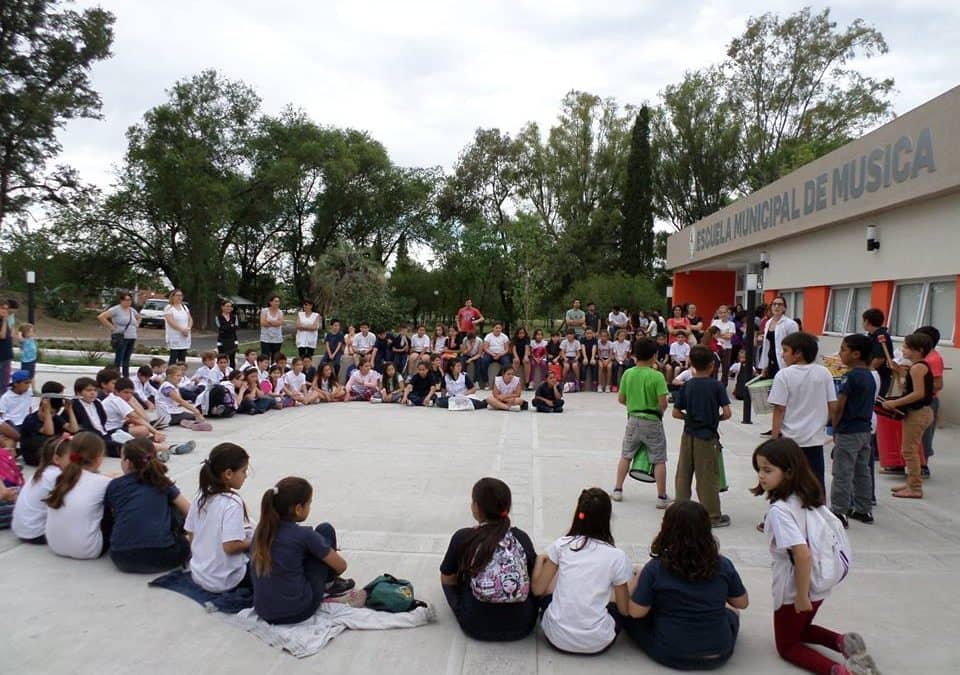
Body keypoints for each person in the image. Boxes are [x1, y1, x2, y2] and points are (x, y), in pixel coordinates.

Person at [752, 438, 879, 675]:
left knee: (787, 645)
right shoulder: (806, 496)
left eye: (768, 470)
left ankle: (843, 672)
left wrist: (800, 596)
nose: (761, 475)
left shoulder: (780, 511)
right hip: (821, 579)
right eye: (759, 469)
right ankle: (844, 642)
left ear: (788, 472)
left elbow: (801, 555)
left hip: (796, 586)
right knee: (799, 628)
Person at [616, 501, 749, 669]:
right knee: (732, 613)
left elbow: (636, 612)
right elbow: (742, 603)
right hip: (719, 652)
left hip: (671, 652)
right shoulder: (723, 565)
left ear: (667, 529)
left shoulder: (656, 568)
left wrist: (636, 585)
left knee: (629, 615)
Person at [532, 488, 632, 655]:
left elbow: (537, 590)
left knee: (548, 598)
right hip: (597, 642)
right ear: (607, 518)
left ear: (579, 513)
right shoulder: (617, 557)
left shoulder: (562, 545)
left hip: (556, 637)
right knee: (614, 607)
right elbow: (624, 610)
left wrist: (538, 562)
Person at [440, 477, 538, 641]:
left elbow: (447, 578)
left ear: (477, 508)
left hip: (475, 625)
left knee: (453, 579)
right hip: (522, 626)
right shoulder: (521, 538)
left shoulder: (464, 537)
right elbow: (533, 577)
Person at [251, 476, 353, 624]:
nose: (310, 507)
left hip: (264, 610)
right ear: (298, 509)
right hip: (299, 610)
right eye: (309, 504)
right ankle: (330, 584)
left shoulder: (261, 532)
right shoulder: (304, 535)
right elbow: (341, 566)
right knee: (325, 530)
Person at [105, 438, 191, 573]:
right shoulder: (162, 482)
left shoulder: (115, 485)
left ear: (127, 463)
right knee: (173, 509)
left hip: (121, 558)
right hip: (163, 556)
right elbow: (189, 511)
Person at [767, 332, 837, 491]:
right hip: (815, 440)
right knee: (815, 481)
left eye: (785, 350)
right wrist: (832, 428)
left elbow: (779, 409)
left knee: (788, 482)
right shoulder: (824, 373)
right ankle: (816, 511)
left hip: (790, 440)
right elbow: (833, 405)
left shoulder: (783, 375)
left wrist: (774, 437)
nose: (782, 355)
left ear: (798, 353)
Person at [672, 345, 733, 528]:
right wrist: (716, 418)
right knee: (707, 476)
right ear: (712, 365)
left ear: (691, 364)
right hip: (707, 436)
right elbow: (728, 412)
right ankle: (712, 515)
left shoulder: (687, 385)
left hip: (688, 433)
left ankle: (679, 512)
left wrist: (688, 418)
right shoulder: (716, 386)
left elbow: (675, 413)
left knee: (683, 473)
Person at [185, 443, 253, 593]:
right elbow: (230, 547)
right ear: (228, 474)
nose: (245, 475)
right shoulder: (232, 503)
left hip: (198, 573)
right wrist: (254, 541)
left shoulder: (201, 495)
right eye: (243, 471)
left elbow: (190, 533)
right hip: (224, 581)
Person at [612, 338, 669, 507]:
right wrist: (659, 412)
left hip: (633, 418)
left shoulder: (628, 373)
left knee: (626, 454)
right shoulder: (657, 376)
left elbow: (621, 399)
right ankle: (661, 496)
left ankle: (618, 489)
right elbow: (663, 403)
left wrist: (633, 405)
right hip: (652, 420)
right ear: (654, 356)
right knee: (658, 458)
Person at [880, 333, 935, 499]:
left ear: (918, 350)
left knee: (909, 450)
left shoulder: (918, 367)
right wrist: (901, 374)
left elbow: (918, 393)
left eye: (906, 347)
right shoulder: (915, 367)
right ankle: (911, 482)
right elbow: (909, 387)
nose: (903, 350)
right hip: (918, 412)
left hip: (919, 413)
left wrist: (895, 403)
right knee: (909, 449)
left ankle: (915, 487)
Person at [830, 335, 877, 525]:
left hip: (848, 430)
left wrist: (834, 427)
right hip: (865, 430)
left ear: (856, 354)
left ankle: (839, 512)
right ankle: (863, 510)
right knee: (862, 470)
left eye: (843, 349)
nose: (840, 353)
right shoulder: (870, 376)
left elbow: (840, 406)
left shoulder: (850, 377)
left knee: (842, 472)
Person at [43, 432, 113, 559]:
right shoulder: (103, 483)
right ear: (99, 458)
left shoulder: (60, 478)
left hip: (55, 546)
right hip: (88, 550)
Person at [12, 435, 71, 543]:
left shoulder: (43, 472)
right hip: (37, 533)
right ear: (57, 459)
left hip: (22, 530)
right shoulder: (56, 476)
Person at [18, 382, 79, 466]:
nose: (49, 415)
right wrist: (47, 410)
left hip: (49, 453)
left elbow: (74, 429)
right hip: (34, 455)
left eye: (52, 413)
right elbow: (49, 432)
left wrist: (70, 410)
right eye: (46, 412)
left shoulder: (55, 417)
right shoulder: (30, 419)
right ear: (40, 408)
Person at [915, 325, 944, 476]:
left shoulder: (934, 359)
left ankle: (923, 466)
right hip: (920, 400)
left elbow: (938, 384)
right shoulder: (924, 357)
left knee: (925, 435)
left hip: (928, 401)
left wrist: (919, 387)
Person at [98, 292, 140, 378]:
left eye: (130, 300)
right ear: (121, 300)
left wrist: (137, 324)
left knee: (127, 359)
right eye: (126, 300)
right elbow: (101, 317)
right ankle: (116, 376)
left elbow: (139, 317)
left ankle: (125, 376)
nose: (128, 302)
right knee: (119, 358)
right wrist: (112, 328)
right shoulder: (116, 309)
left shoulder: (132, 310)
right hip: (121, 337)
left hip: (132, 336)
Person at [759, 295, 800, 381]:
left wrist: (792, 364)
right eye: (774, 304)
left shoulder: (790, 324)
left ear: (784, 308)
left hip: (783, 361)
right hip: (770, 360)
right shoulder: (768, 322)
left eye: (780, 304)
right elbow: (766, 345)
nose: (776, 306)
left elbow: (796, 346)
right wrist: (764, 365)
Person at [861, 309, 893, 398]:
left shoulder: (881, 336)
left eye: (863, 321)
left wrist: (866, 373)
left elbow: (879, 359)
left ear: (867, 321)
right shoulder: (871, 335)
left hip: (879, 376)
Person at [0, 369, 34, 444]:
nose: (28, 386)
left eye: (29, 383)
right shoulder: (6, 397)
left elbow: (30, 408)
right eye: (26, 383)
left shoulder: (28, 392)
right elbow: (1, 415)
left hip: (25, 423)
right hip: (12, 424)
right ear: (16, 384)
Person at [163, 289, 192, 365]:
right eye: (177, 295)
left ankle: (181, 374)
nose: (179, 297)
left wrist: (188, 329)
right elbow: (171, 322)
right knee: (173, 358)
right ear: (173, 297)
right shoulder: (169, 308)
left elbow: (190, 319)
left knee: (182, 358)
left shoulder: (184, 307)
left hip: (185, 336)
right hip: (175, 336)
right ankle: (171, 374)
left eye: (181, 295)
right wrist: (182, 329)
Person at [479, 323, 512, 388]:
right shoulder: (488, 336)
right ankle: (486, 382)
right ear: (493, 328)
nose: (498, 329)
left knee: (507, 363)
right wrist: (492, 354)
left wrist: (499, 354)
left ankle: (501, 381)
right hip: (490, 354)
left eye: (499, 328)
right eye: (496, 328)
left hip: (502, 354)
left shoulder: (504, 337)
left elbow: (506, 349)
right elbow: (485, 348)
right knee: (483, 361)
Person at [711, 305, 736, 385]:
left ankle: (723, 386)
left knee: (725, 368)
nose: (723, 314)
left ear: (728, 313)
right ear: (718, 313)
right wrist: (723, 334)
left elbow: (729, 337)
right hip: (716, 348)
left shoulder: (731, 324)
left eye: (724, 312)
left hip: (727, 348)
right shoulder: (715, 322)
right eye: (721, 313)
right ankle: (713, 385)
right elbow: (712, 334)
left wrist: (718, 334)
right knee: (714, 368)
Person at [215, 299, 239, 370]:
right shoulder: (218, 317)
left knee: (232, 359)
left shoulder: (234, 317)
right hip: (222, 341)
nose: (228, 308)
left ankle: (232, 374)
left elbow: (236, 327)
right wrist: (231, 326)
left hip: (233, 340)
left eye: (230, 306)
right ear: (222, 307)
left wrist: (228, 327)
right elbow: (221, 328)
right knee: (222, 358)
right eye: (226, 306)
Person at [259, 295, 285, 362]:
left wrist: (269, 321)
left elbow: (280, 323)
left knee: (275, 358)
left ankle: (274, 371)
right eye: (275, 301)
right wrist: (275, 323)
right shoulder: (264, 311)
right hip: (265, 338)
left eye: (278, 301)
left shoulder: (280, 312)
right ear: (270, 302)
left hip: (277, 338)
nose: (277, 303)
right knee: (265, 357)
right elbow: (263, 323)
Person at [0, 300, 13, 389]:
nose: (5, 311)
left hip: (6, 355)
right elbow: (2, 336)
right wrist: (5, 320)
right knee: (2, 382)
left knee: (5, 382)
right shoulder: (3, 321)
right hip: (1, 356)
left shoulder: (4, 320)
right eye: (2, 308)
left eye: (6, 309)